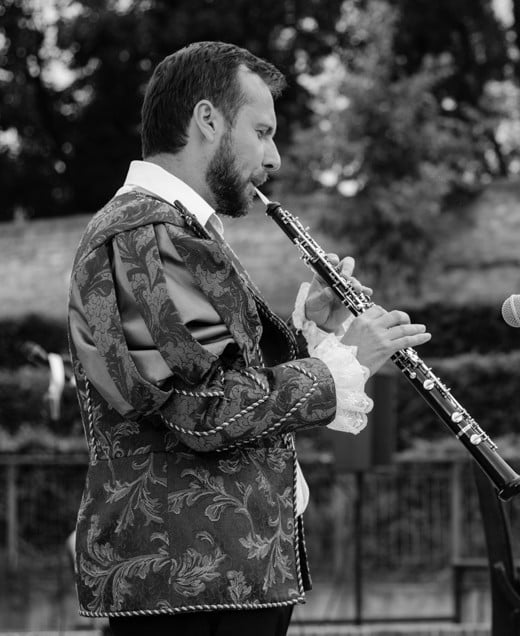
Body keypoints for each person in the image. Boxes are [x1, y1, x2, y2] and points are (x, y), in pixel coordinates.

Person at [66, 41, 430, 635]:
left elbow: (222, 378)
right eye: (261, 132)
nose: (274, 158)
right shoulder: (146, 233)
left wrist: (316, 327)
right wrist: (345, 365)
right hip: (192, 579)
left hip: (216, 574)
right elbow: (203, 412)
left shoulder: (176, 232)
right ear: (207, 120)